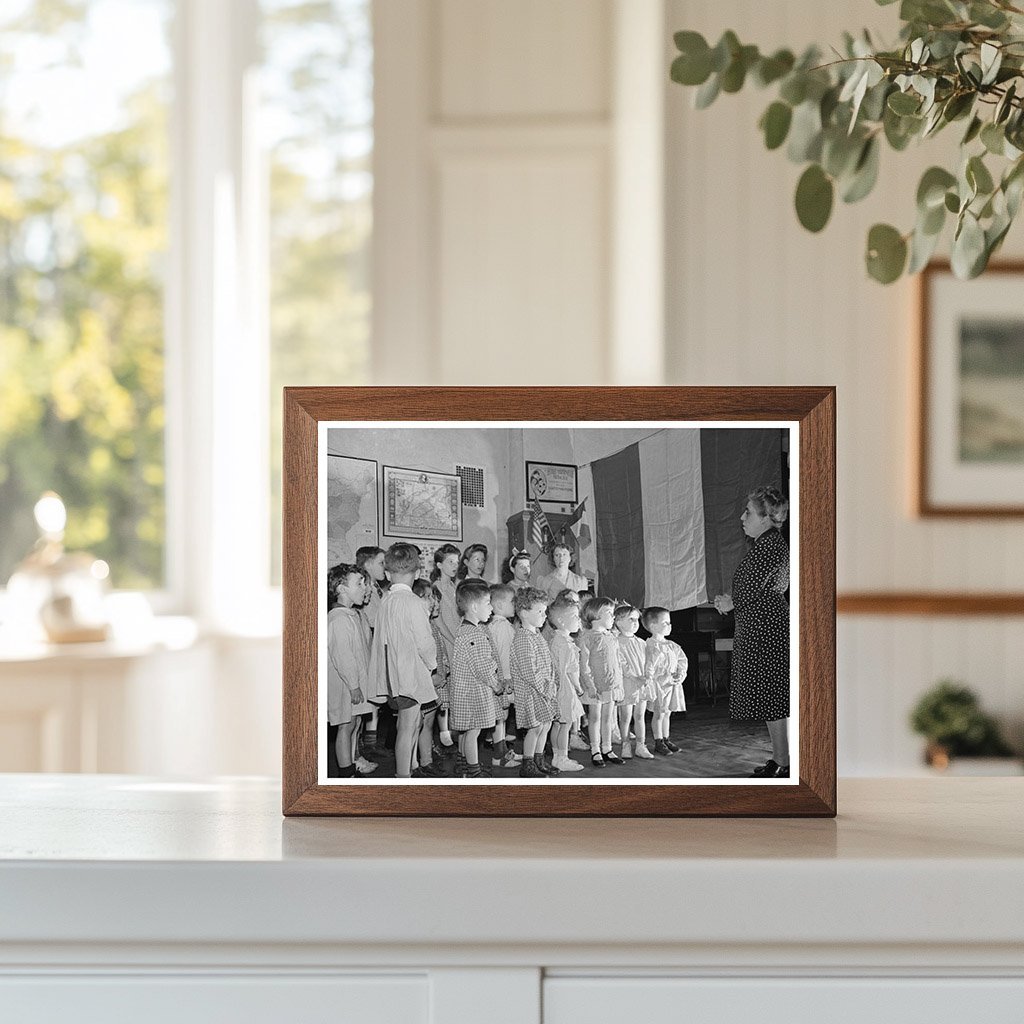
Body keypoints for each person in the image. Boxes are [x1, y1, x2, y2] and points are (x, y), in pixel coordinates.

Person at [714, 486, 791, 779]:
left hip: (766, 626)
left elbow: (751, 589)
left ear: (766, 518)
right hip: (761, 623)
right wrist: (732, 600)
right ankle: (780, 760)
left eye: (748, 512)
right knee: (773, 697)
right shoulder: (767, 543)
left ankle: (782, 763)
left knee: (773, 695)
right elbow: (755, 588)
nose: (742, 516)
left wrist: (730, 601)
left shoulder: (769, 545)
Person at [367, 543, 437, 779]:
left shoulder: (385, 601)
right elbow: (425, 642)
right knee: (407, 727)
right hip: (409, 675)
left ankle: (412, 765)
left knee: (409, 723)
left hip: (391, 674)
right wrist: (431, 664)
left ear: (387, 574)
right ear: (418, 574)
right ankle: (402, 777)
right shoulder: (415, 603)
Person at [326, 563, 376, 778]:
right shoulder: (338, 619)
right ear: (341, 588)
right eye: (359, 583)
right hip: (346, 685)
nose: (365, 588)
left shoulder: (350, 615)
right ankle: (345, 772)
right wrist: (354, 686)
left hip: (354, 683)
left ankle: (353, 762)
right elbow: (343, 657)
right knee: (345, 726)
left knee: (354, 723)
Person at [450, 578, 502, 778]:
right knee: (474, 731)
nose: (491, 607)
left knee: (466, 731)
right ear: (473, 606)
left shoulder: (466, 629)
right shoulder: (475, 634)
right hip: (473, 692)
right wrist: (495, 683)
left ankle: (464, 765)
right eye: (488, 602)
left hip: (465, 690)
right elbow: (483, 665)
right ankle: (473, 771)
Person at [510, 586, 559, 778]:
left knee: (545, 724)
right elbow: (529, 671)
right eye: (539, 611)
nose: (544, 615)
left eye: (545, 611)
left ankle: (539, 760)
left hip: (544, 690)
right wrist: (545, 687)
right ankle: (527, 763)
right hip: (532, 692)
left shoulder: (536, 635)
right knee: (535, 727)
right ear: (523, 613)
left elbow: (547, 661)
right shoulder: (522, 638)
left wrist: (553, 681)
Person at [578, 597, 625, 767]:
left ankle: (607, 748)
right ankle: (595, 750)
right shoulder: (587, 637)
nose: (613, 617)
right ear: (596, 615)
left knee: (608, 719)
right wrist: (590, 685)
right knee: (595, 718)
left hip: (611, 684)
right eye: (610, 613)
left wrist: (618, 683)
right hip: (596, 686)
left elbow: (616, 661)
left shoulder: (612, 637)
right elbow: (584, 665)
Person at [410, 579, 447, 777]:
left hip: (436, 681)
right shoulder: (421, 625)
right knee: (418, 723)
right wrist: (433, 677)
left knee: (428, 722)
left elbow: (439, 652)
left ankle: (426, 761)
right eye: (428, 597)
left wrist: (444, 668)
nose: (433, 602)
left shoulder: (432, 624)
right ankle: (414, 763)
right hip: (426, 682)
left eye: (433, 597)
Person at [546, 593, 585, 772]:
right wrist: (578, 687)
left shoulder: (556, 640)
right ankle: (562, 757)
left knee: (558, 724)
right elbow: (570, 670)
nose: (578, 620)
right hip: (566, 689)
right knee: (566, 724)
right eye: (575, 616)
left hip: (558, 688)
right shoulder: (566, 644)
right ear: (562, 621)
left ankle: (556, 755)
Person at [642, 606, 687, 756]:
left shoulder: (671, 645)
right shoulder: (651, 646)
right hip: (659, 686)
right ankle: (658, 741)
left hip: (671, 685)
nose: (669, 626)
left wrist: (680, 674)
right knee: (659, 713)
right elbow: (649, 667)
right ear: (653, 626)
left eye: (670, 622)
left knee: (667, 713)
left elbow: (682, 660)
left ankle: (666, 738)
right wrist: (654, 679)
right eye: (665, 623)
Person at [486, 583, 521, 768]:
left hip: (496, 678)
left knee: (500, 717)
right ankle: (499, 756)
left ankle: (502, 751)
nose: (515, 604)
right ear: (499, 606)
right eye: (512, 601)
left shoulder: (491, 624)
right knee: (501, 717)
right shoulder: (504, 626)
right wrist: (509, 679)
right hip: (504, 679)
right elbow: (505, 654)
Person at [614, 604, 654, 760]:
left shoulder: (641, 642)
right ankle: (625, 744)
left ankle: (640, 745)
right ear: (618, 620)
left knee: (640, 715)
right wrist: (634, 677)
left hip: (641, 683)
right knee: (625, 717)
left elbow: (648, 661)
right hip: (628, 683)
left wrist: (647, 676)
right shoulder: (617, 642)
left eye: (637, 619)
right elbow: (621, 663)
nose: (636, 623)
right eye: (631, 619)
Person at [431, 543, 463, 664]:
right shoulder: (435, 588)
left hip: (457, 638)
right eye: (451, 562)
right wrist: (453, 641)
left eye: (457, 562)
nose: (455, 566)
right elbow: (438, 621)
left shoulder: (453, 587)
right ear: (439, 565)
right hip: (446, 640)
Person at [355, 546, 388, 630]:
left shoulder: (378, 588)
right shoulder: (363, 591)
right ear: (368, 565)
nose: (386, 567)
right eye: (381, 563)